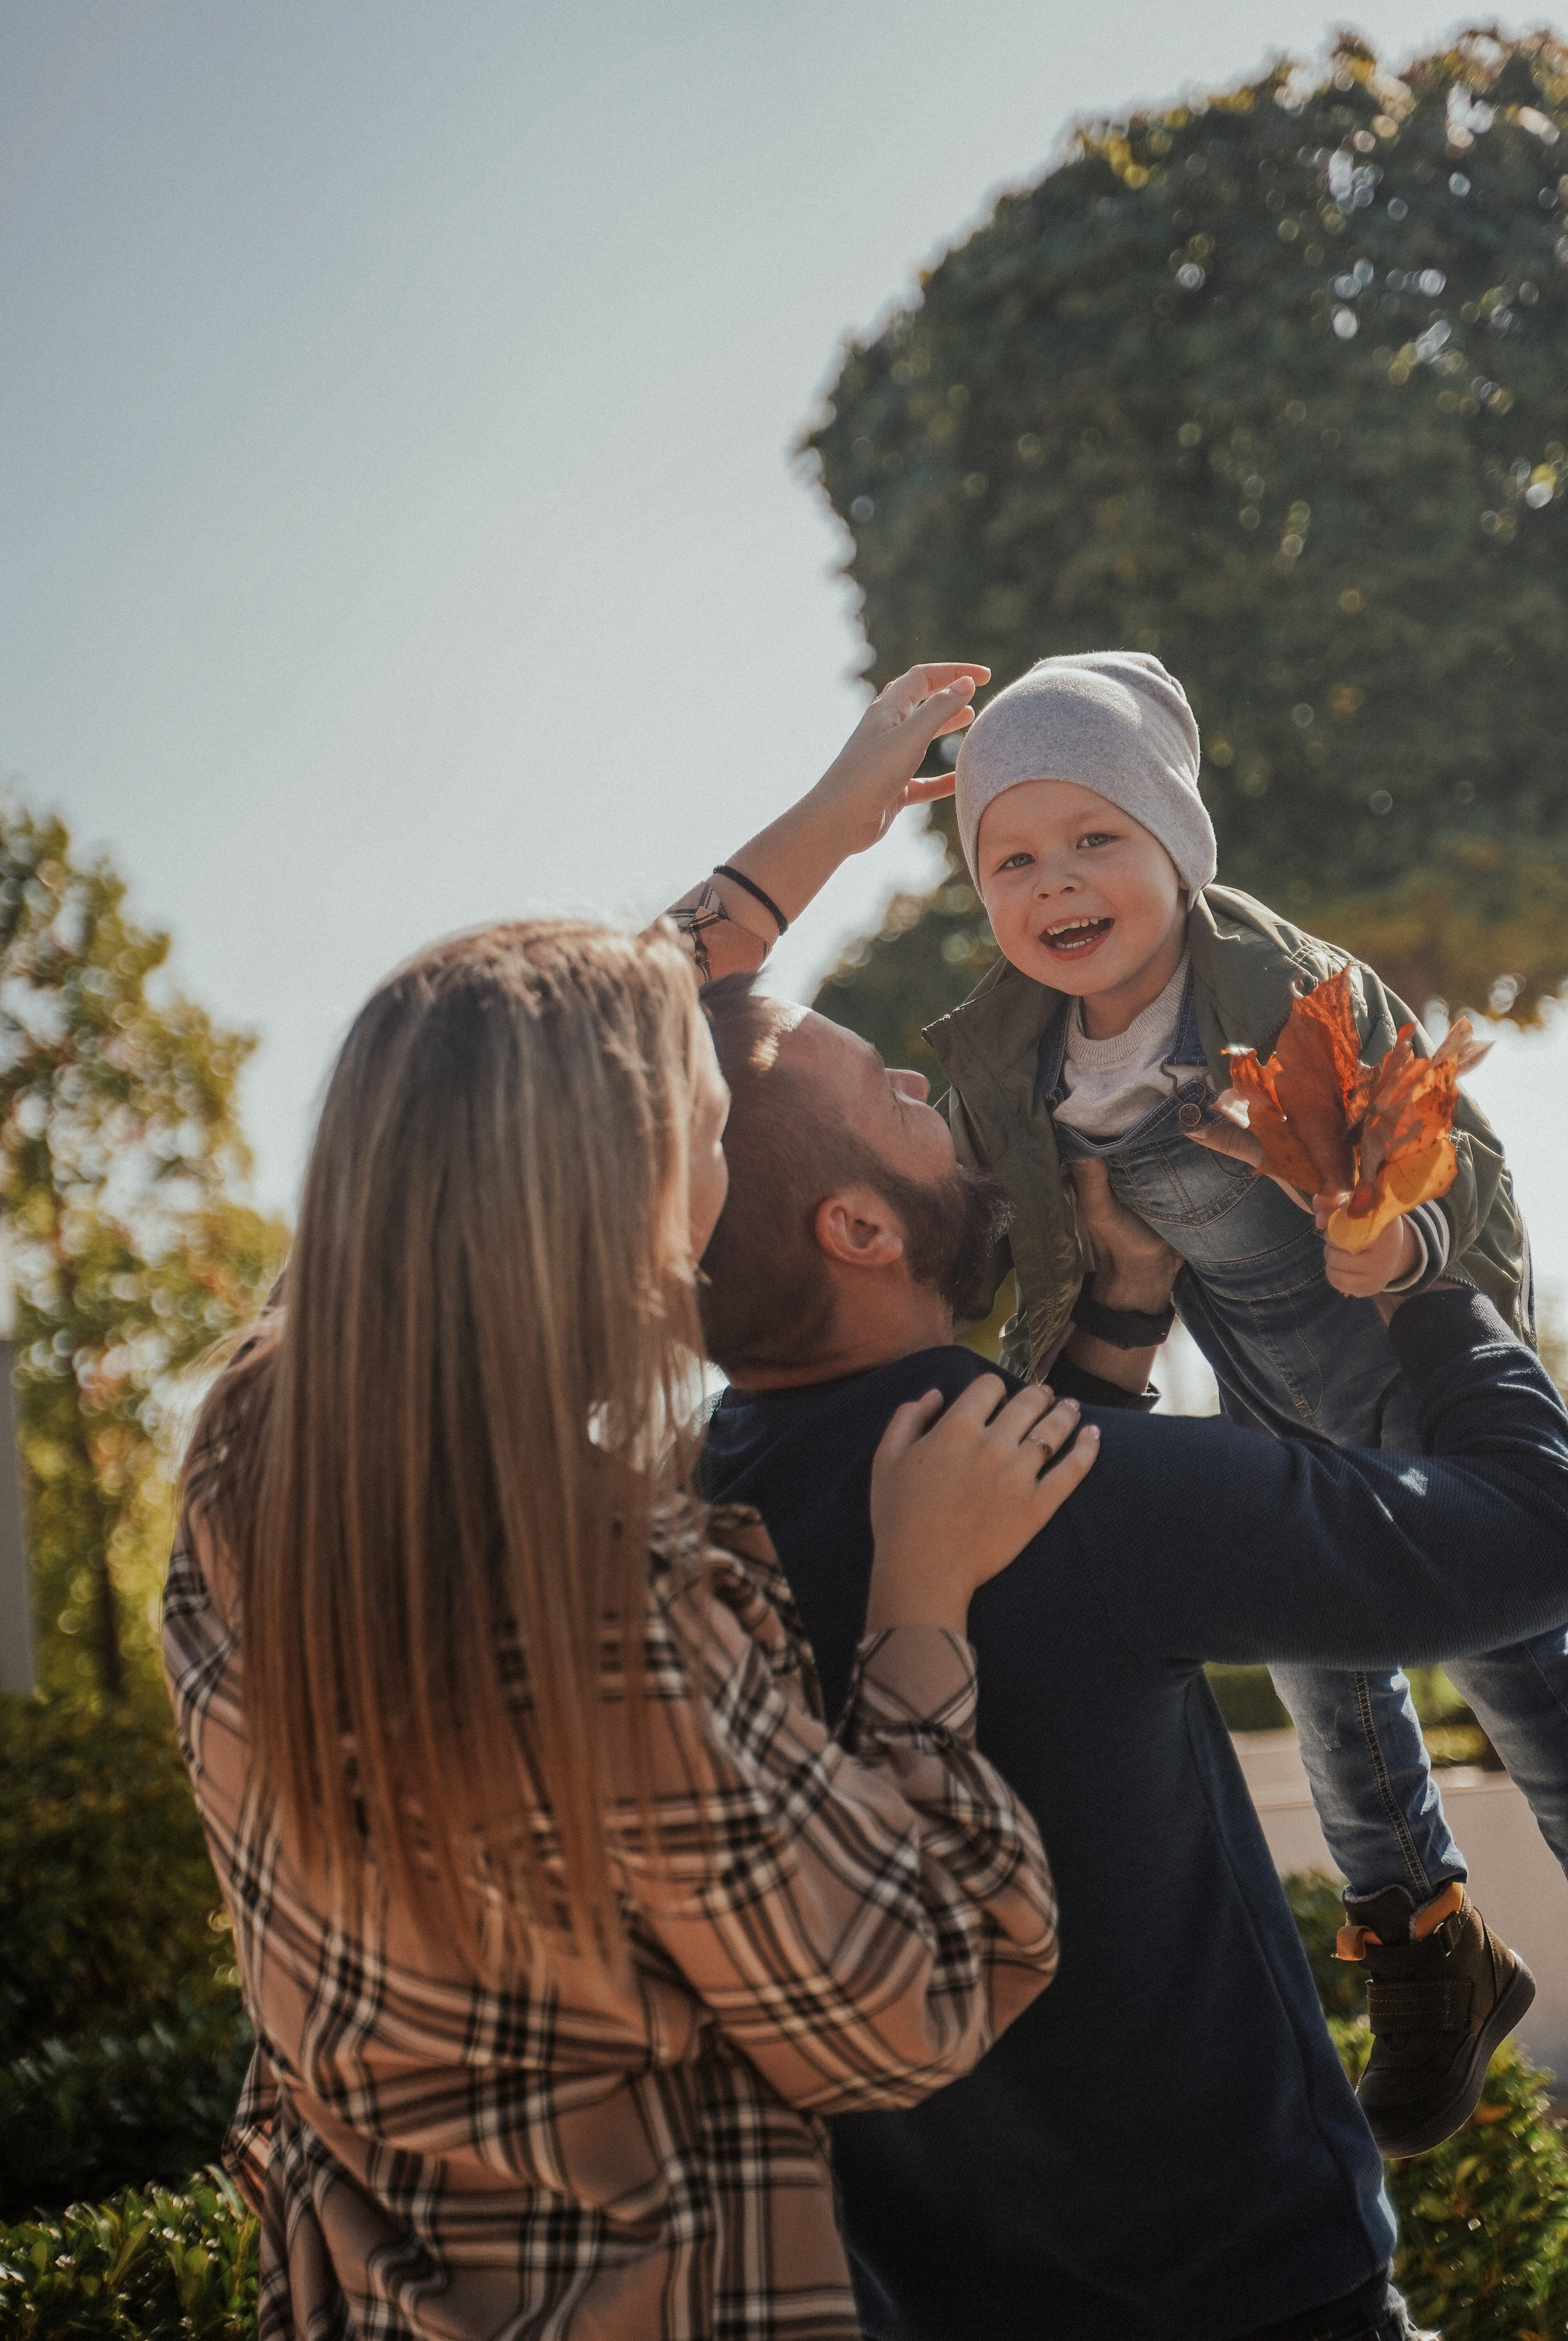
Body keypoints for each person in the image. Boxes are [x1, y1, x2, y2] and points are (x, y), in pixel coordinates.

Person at [163, 665, 1091, 2341]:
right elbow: (911, 2000)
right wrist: (920, 1614)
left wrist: (821, 823)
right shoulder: (607, 1615)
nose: (726, 1161)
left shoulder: (256, 1444)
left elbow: (500, 1073)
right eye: (712, 1127)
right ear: (636, 1195)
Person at [696, 975, 1568, 2341]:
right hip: (1251, 2295)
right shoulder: (1095, 1499)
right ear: (857, 1226)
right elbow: (1530, 1531)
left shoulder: (691, 1525)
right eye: (890, 1093)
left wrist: (1115, 1316)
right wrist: (1416, 1269)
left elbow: (1038, 1636)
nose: (933, 1095)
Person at [920, 648, 1562, 2153]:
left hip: (1410, 1374)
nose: (1055, 881)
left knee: (1525, 1670)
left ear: (1174, 849)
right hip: (1273, 1411)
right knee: (1322, 1676)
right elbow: (980, 1250)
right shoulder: (1010, 1065)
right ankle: (1423, 1949)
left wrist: (1386, 1240)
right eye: (1013, 857)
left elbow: (1454, 1154)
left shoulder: (1286, 983)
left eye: (1095, 840)